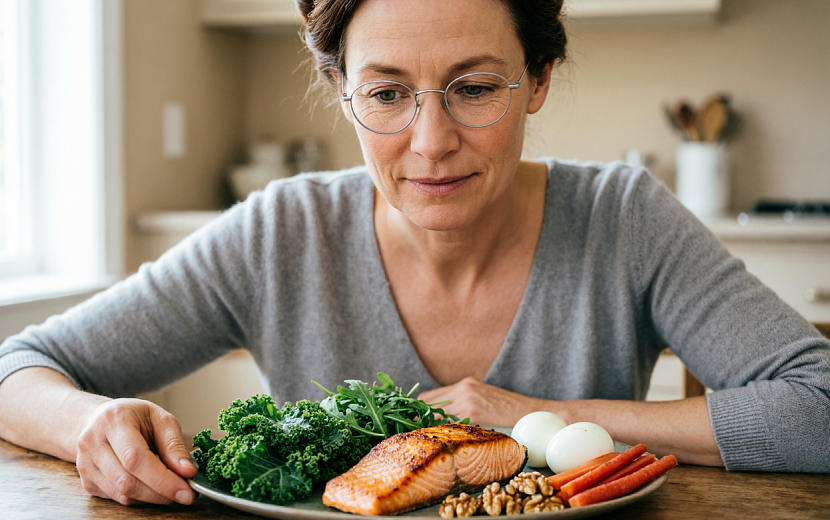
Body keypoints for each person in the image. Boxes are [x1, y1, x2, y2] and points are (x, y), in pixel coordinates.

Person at [1, 0, 829, 509]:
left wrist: (533, 417)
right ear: (340, 90)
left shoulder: (621, 218)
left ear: (537, 78)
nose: (431, 144)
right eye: (388, 95)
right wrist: (90, 423)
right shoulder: (281, 235)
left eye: (474, 88)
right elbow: (19, 366)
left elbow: (819, 404)